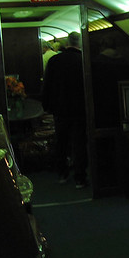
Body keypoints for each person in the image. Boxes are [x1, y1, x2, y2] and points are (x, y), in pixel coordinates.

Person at [42, 32, 88, 187]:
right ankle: (80, 177)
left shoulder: (55, 60)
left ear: (67, 43)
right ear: (80, 43)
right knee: (79, 142)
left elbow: (47, 85)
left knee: (61, 141)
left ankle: (62, 173)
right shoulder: (83, 60)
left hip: (60, 108)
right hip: (80, 108)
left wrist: (46, 105)